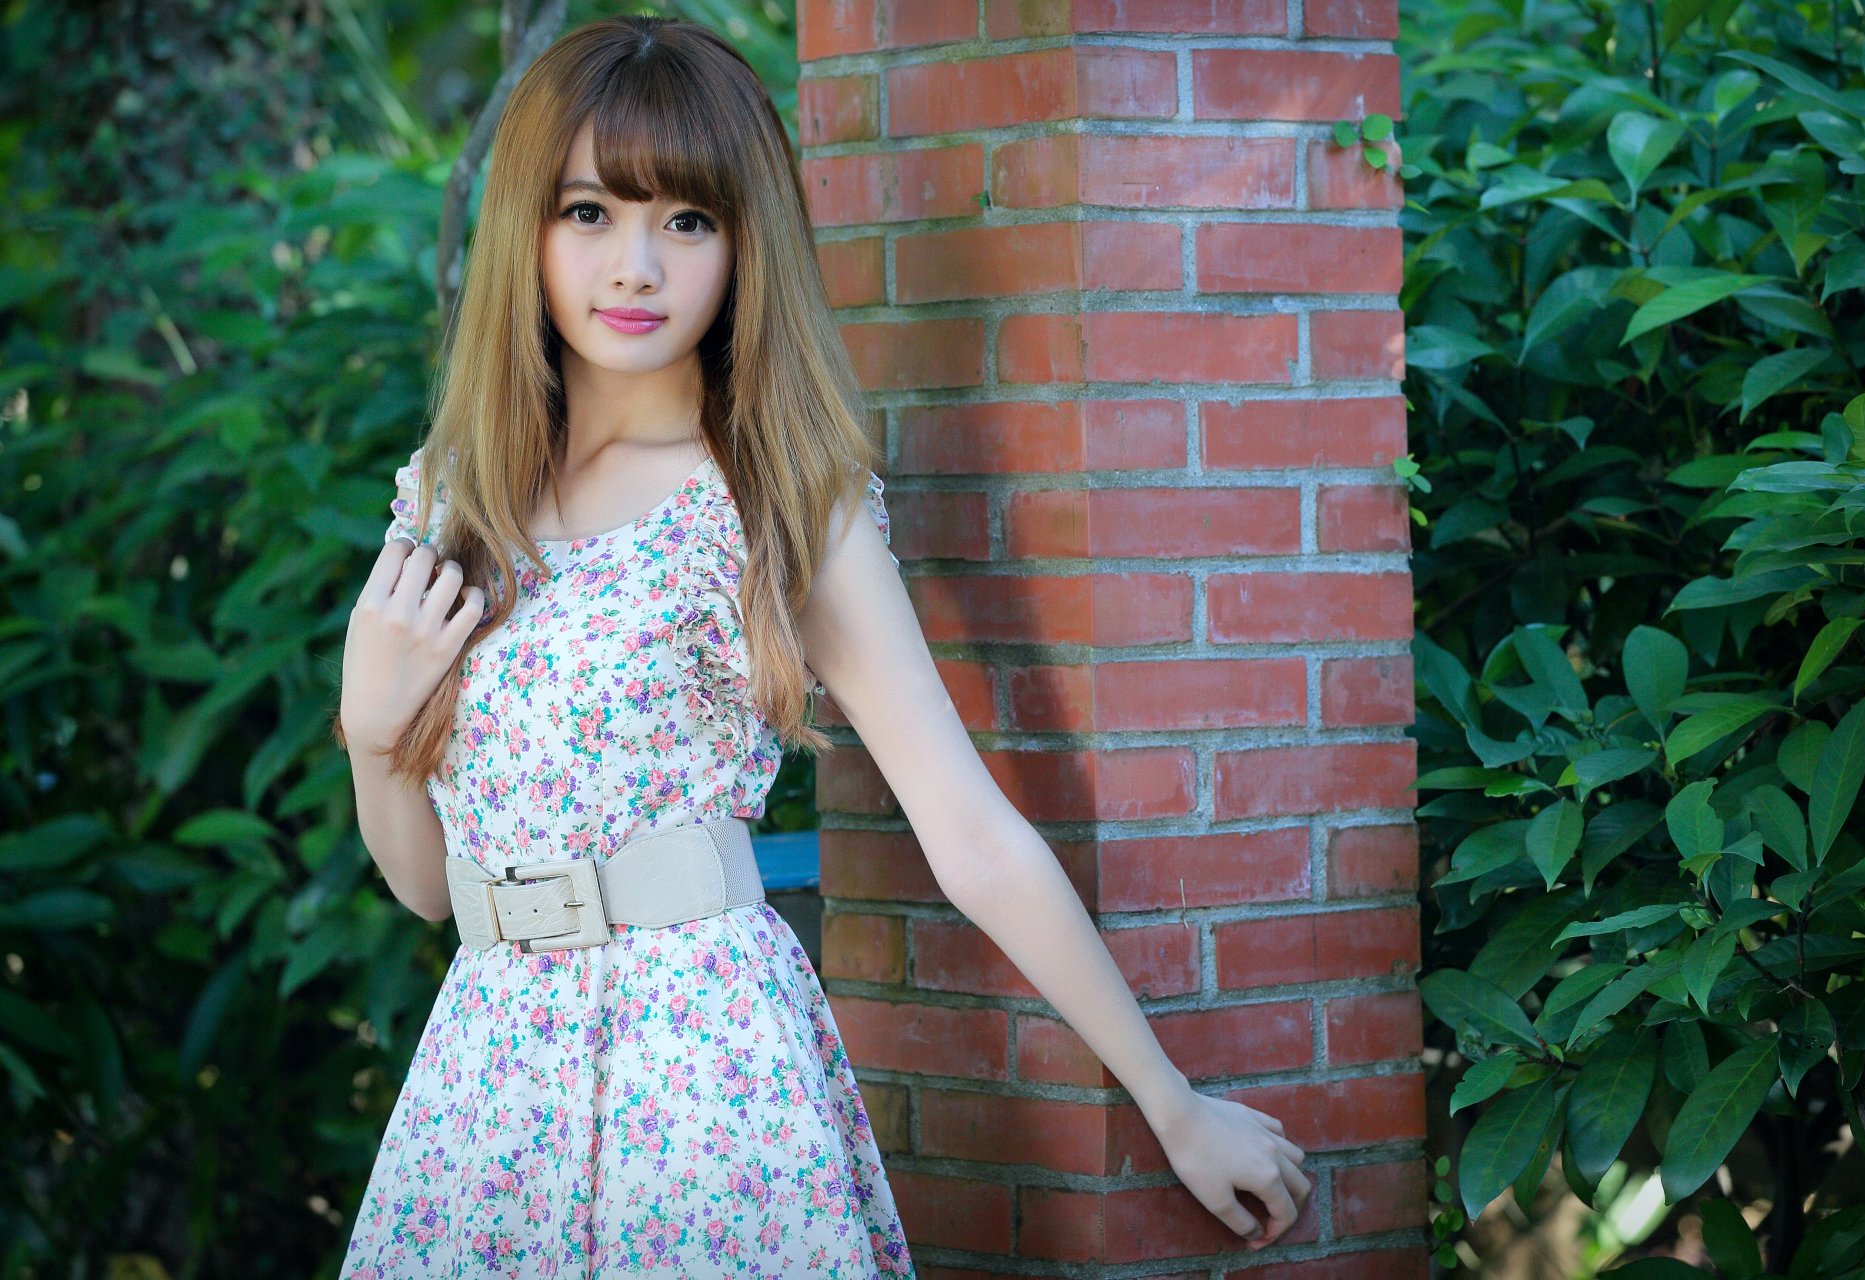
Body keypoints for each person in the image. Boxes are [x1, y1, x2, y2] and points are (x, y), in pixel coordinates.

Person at [332, 14, 1310, 1277]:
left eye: (685, 221)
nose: (634, 265)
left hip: (700, 1065)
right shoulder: (452, 495)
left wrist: (1173, 1103)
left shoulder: (774, 500)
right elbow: (429, 887)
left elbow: (968, 829)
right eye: (588, 213)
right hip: (487, 1079)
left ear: (744, 247)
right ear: (527, 224)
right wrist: (370, 730)